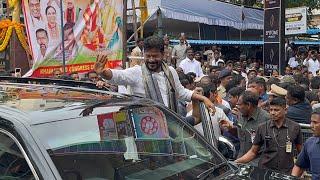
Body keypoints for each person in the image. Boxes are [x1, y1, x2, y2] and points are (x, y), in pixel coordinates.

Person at [94, 35, 215, 113]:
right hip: (145, 126)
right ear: (144, 55)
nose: (151, 60)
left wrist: (203, 98)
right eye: (148, 56)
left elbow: (181, 92)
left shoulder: (170, 72)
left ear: (163, 55)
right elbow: (117, 76)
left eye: (155, 56)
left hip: (170, 123)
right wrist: (103, 72)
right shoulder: (137, 72)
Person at [235, 97, 302, 174]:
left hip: (286, 171)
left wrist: (300, 170)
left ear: (285, 110)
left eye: (276, 110)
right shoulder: (262, 127)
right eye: (271, 110)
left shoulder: (295, 127)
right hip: (265, 170)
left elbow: (301, 152)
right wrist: (237, 162)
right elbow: (253, 152)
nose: (273, 113)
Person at [220, 91, 270, 163]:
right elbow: (241, 133)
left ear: (248, 105)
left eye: (239, 104)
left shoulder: (266, 119)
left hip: (258, 162)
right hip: (241, 158)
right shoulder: (241, 114)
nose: (237, 107)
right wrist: (231, 128)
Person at [292, 108, 320, 179]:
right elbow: (299, 166)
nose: (311, 126)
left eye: (315, 122)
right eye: (311, 122)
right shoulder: (310, 143)